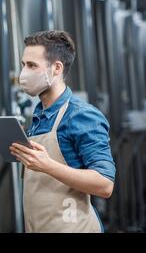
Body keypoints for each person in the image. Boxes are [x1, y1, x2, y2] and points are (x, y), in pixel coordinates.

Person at [10, 30, 115, 232]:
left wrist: (47, 165)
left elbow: (105, 185)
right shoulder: (39, 115)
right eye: (23, 65)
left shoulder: (81, 116)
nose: (24, 73)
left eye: (32, 66)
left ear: (56, 68)